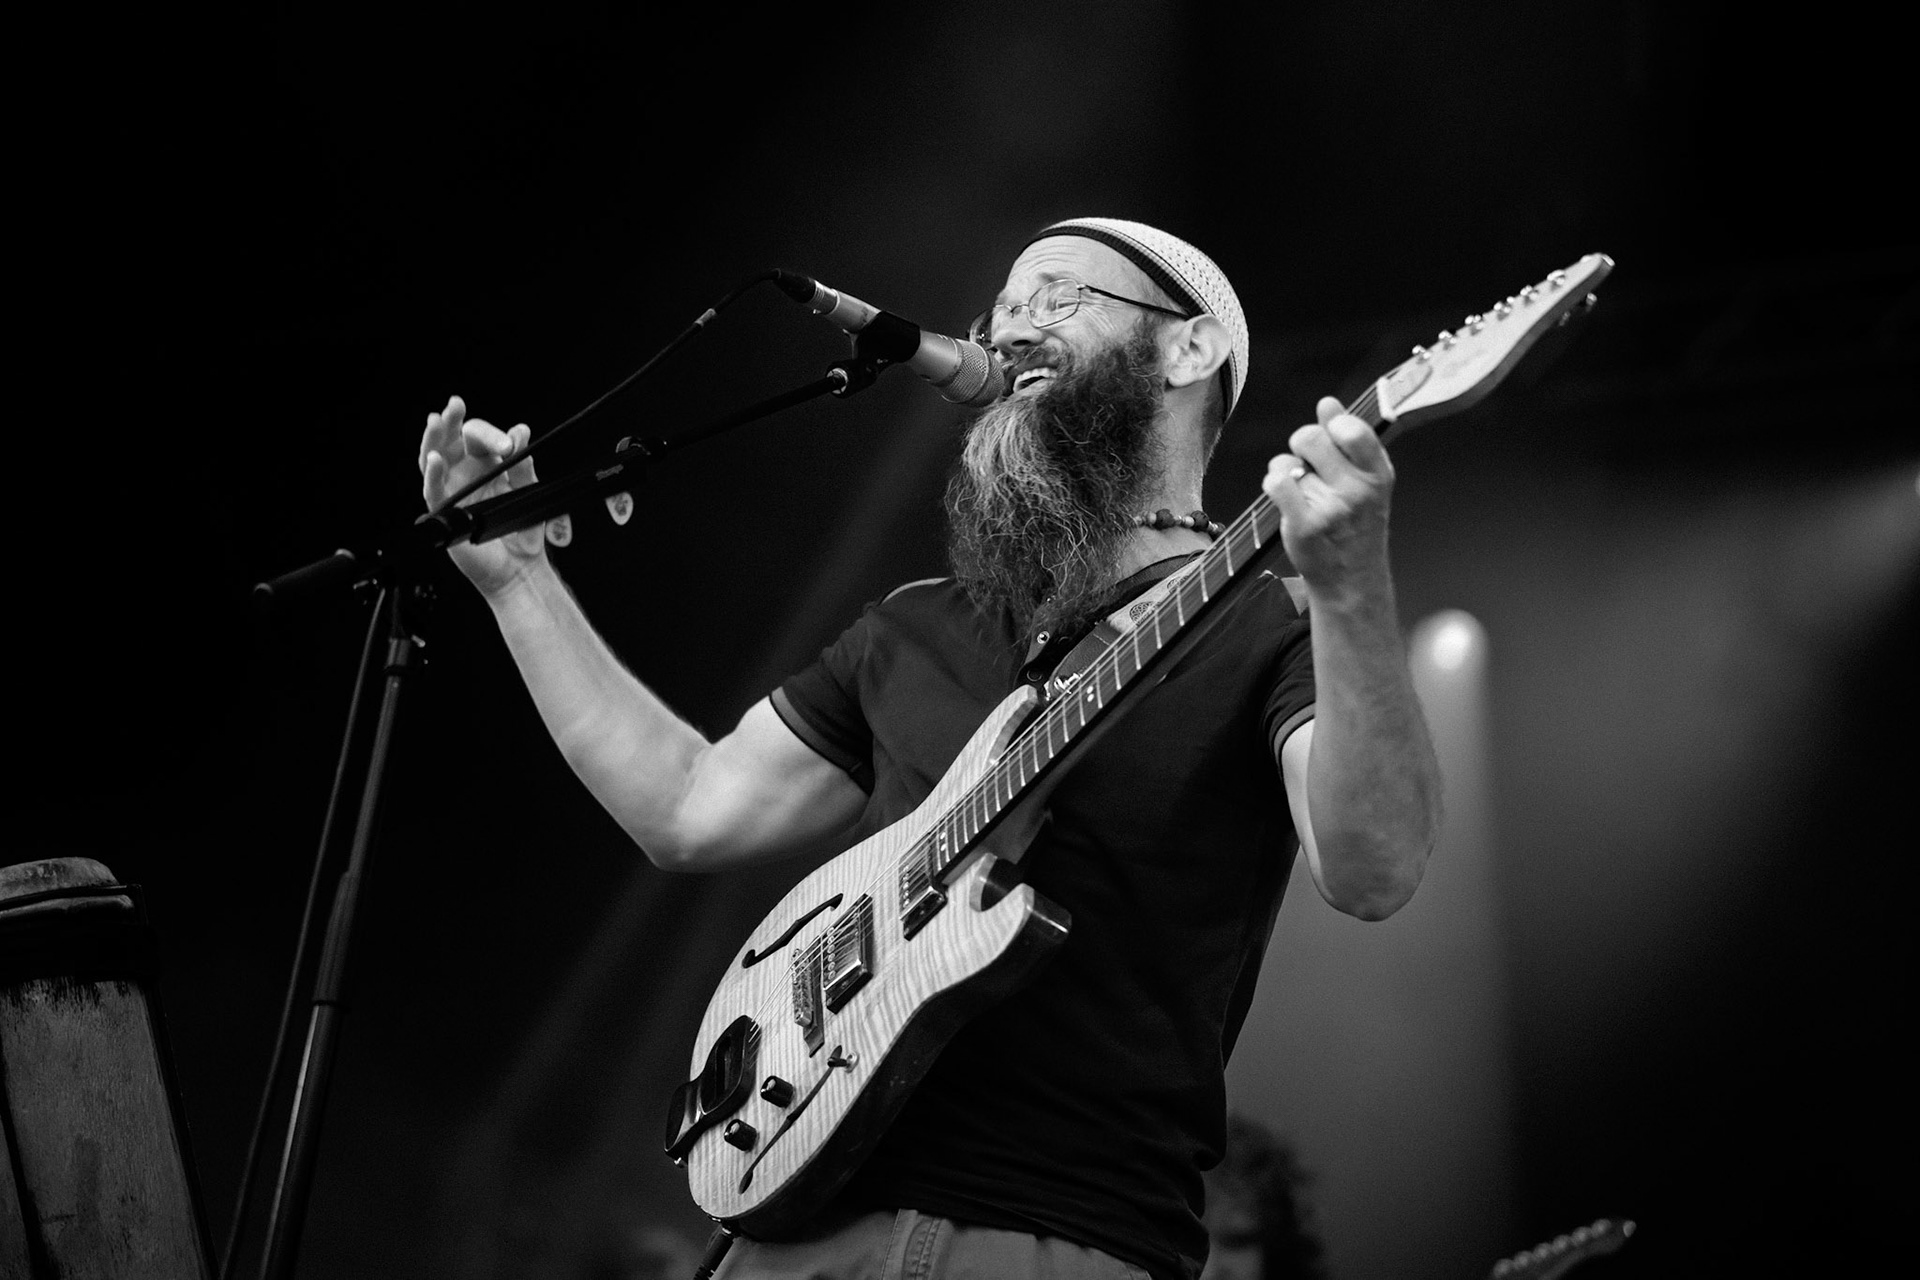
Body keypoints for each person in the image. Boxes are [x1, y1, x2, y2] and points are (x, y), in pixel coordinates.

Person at [418, 217, 1442, 1280]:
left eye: (1056, 297)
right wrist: (517, 577)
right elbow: (685, 806)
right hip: (784, 1233)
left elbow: (1374, 867)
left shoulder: (1265, 620)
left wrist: (1350, 583)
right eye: (1002, 310)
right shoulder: (917, 624)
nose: (1010, 330)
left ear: (1188, 349)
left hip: (1053, 1232)